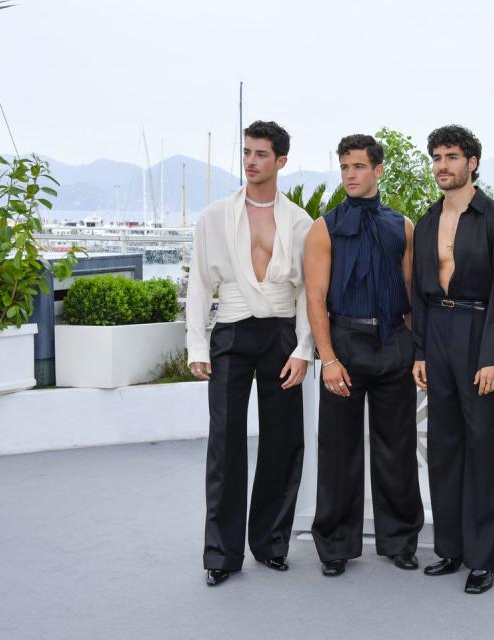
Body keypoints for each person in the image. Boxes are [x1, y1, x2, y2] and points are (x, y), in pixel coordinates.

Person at [187, 120, 313, 587]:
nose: (251, 161)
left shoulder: (300, 222)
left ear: (281, 161)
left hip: (282, 334)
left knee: (283, 442)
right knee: (225, 444)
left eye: (261, 154)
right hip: (232, 335)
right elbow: (200, 283)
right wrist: (197, 343)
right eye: (247, 152)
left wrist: (304, 349)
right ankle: (220, 554)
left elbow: (307, 293)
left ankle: (271, 543)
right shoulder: (214, 216)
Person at [304, 134, 423, 577]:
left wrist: (413, 348)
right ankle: (334, 546)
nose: (349, 175)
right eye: (344, 167)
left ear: (378, 170)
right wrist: (329, 358)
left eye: (357, 167)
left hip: (394, 343)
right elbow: (315, 298)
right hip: (345, 345)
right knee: (338, 452)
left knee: (398, 449)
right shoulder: (325, 227)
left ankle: (400, 541)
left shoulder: (404, 226)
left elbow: (411, 291)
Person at [411, 125, 494, 595]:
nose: (442, 165)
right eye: (436, 157)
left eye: (451, 156)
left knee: (481, 446)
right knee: (443, 445)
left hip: (479, 331)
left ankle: (482, 558)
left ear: (472, 162)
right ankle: (451, 549)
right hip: (437, 331)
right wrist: (419, 349)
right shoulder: (427, 220)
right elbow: (417, 290)